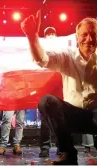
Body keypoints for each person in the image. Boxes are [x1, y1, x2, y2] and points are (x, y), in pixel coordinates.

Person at [21, 11, 97, 165]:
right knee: (46, 102)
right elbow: (42, 60)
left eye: (93, 34)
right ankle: (67, 153)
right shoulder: (67, 56)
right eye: (84, 34)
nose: (88, 39)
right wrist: (32, 37)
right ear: (76, 36)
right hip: (71, 114)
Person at [38, 26, 61, 157]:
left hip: (58, 87)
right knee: (45, 119)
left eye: (53, 33)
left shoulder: (61, 48)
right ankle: (45, 147)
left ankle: (60, 146)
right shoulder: (41, 48)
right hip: (45, 88)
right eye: (48, 33)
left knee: (59, 119)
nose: (51, 35)